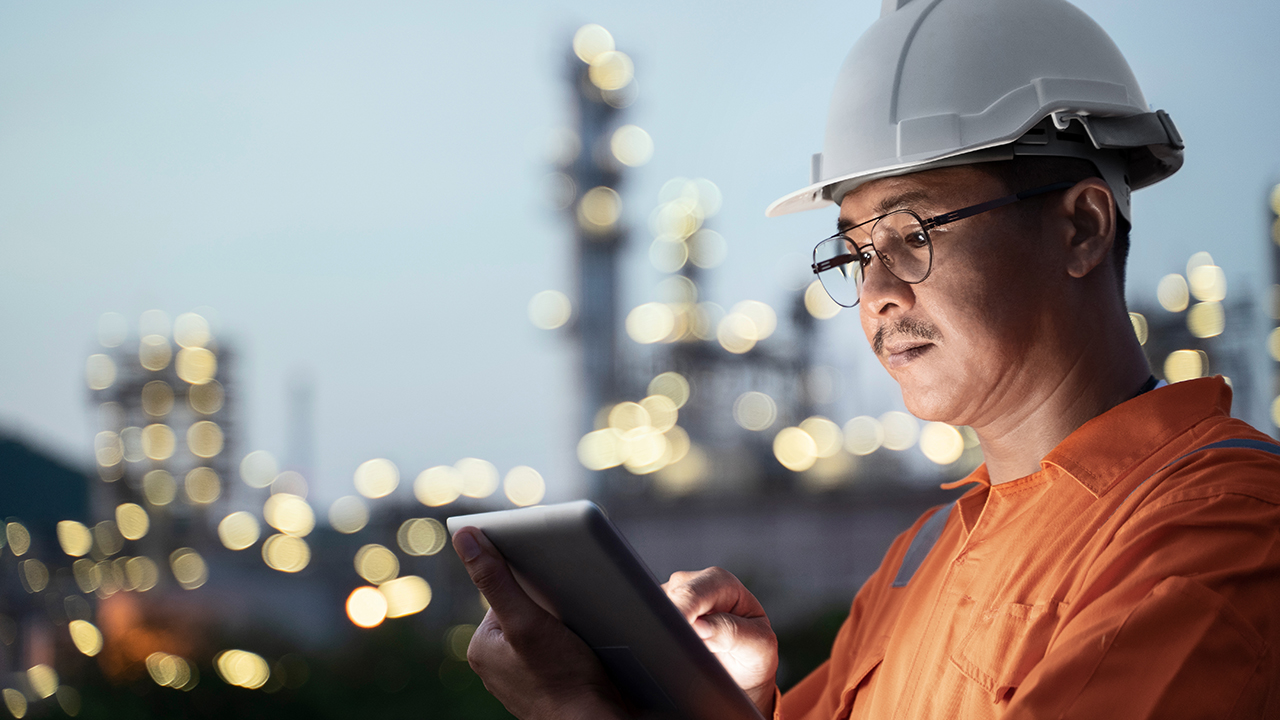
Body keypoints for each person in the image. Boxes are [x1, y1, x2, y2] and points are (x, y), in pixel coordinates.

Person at [452, 0, 1280, 717]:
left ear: (1081, 228)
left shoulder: (1220, 532)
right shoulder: (921, 558)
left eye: (913, 234)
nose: (877, 292)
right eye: (854, 253)